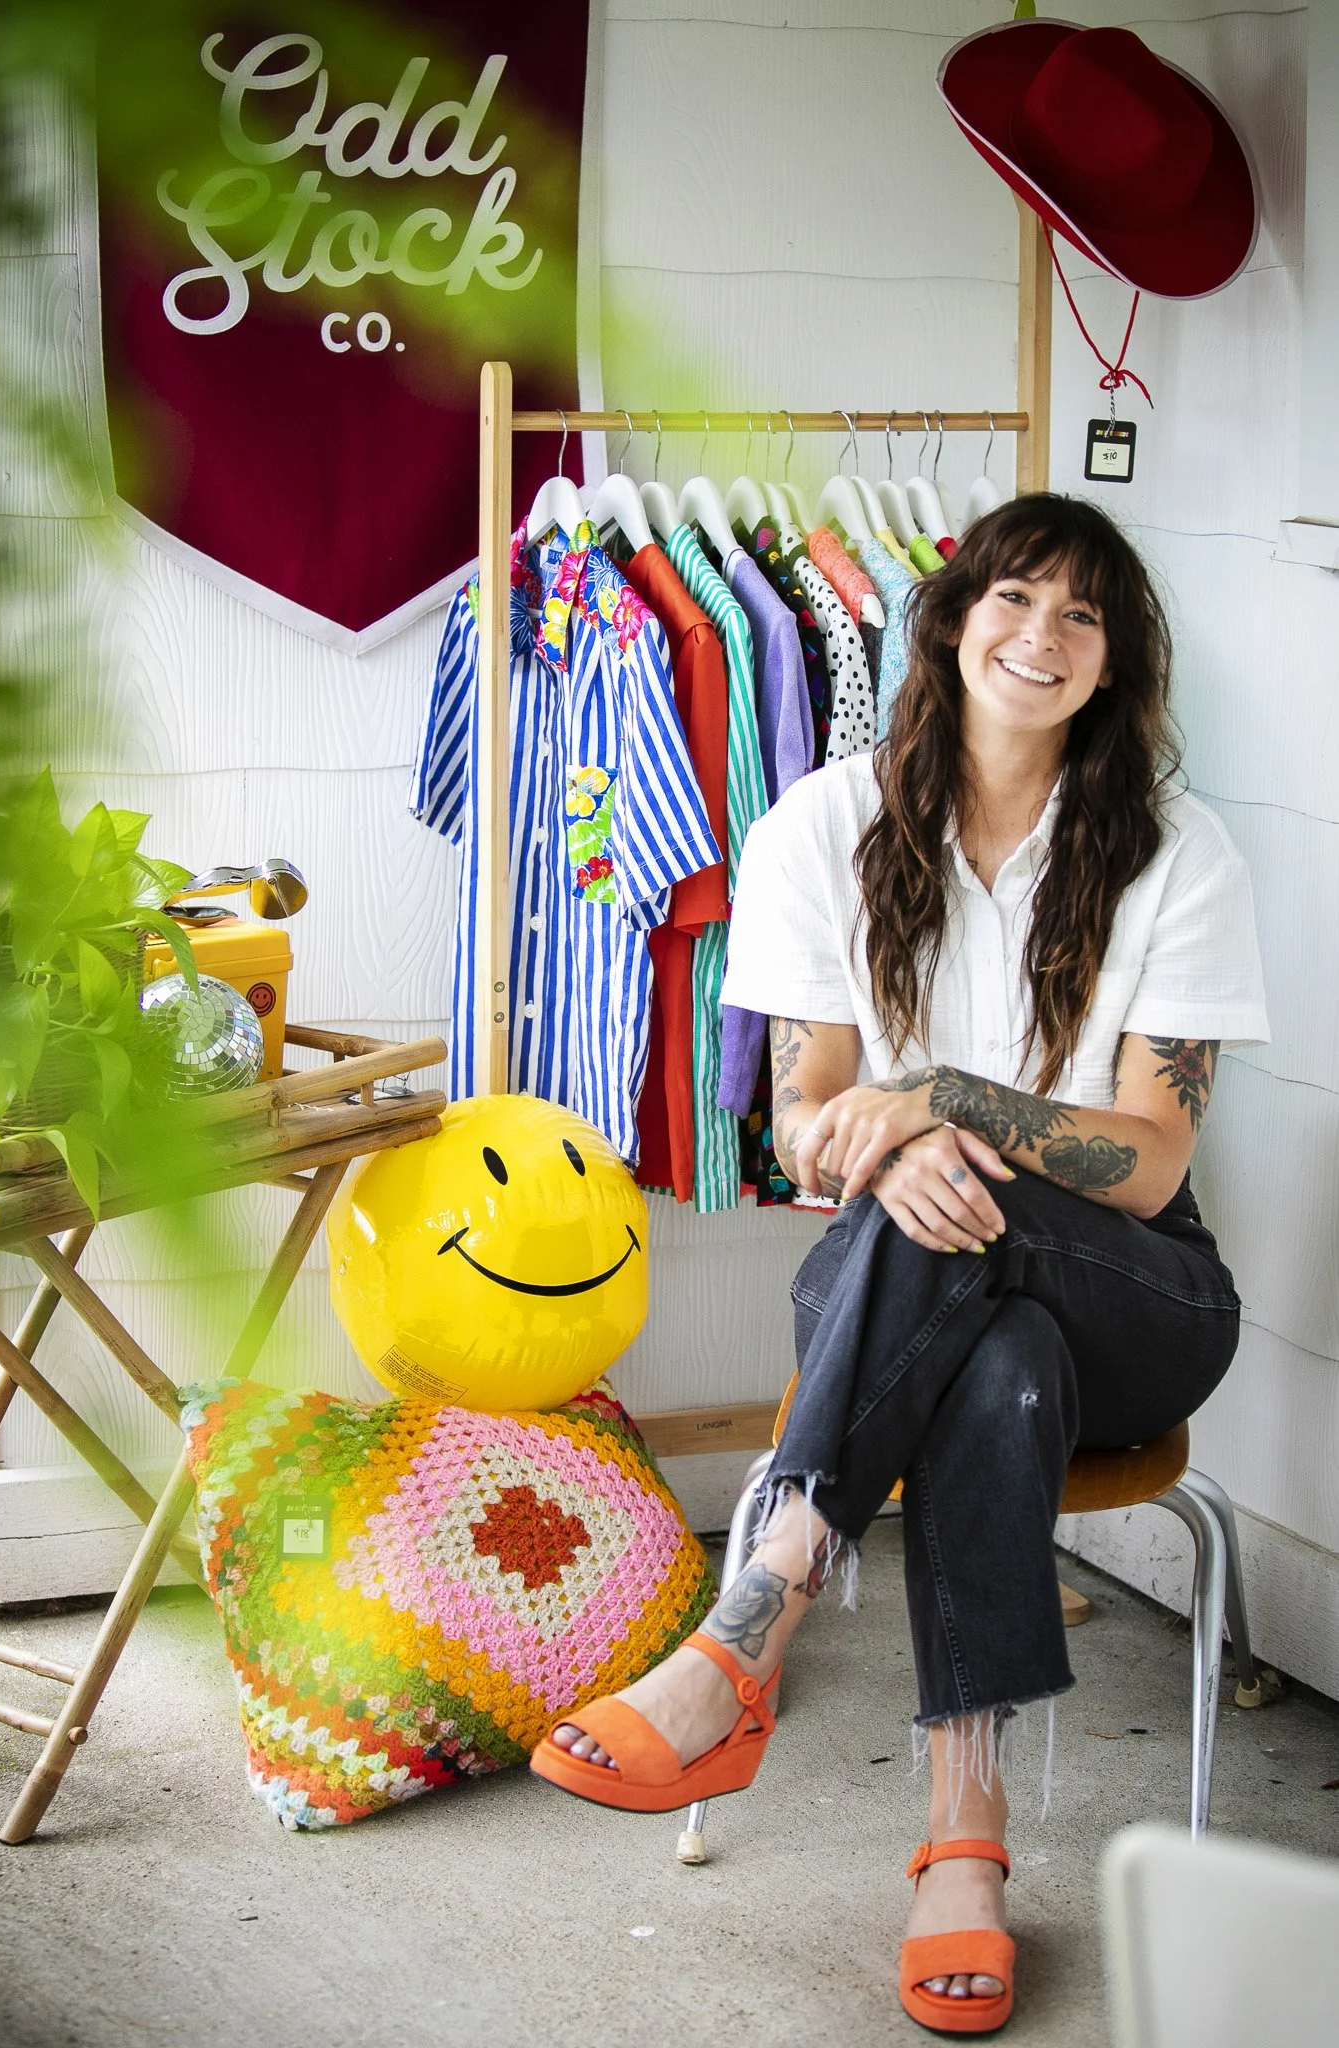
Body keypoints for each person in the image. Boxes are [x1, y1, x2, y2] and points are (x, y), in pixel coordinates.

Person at [530, 494, 1268, 2035]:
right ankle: (965, 1851)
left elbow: (1146, 1161)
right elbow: (803, 1124)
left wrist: (945, 1104)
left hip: (1139, 1291)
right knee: (987, 1365)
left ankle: (758, 1620)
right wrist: (889, 1140)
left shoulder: (1177, 853)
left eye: (1083, 617)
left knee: (972, 1234)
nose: (1042, 637)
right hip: (917, 1283)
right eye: (1013, 600)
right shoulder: (823, 824)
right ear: (947, 619)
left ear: (1117, 664)